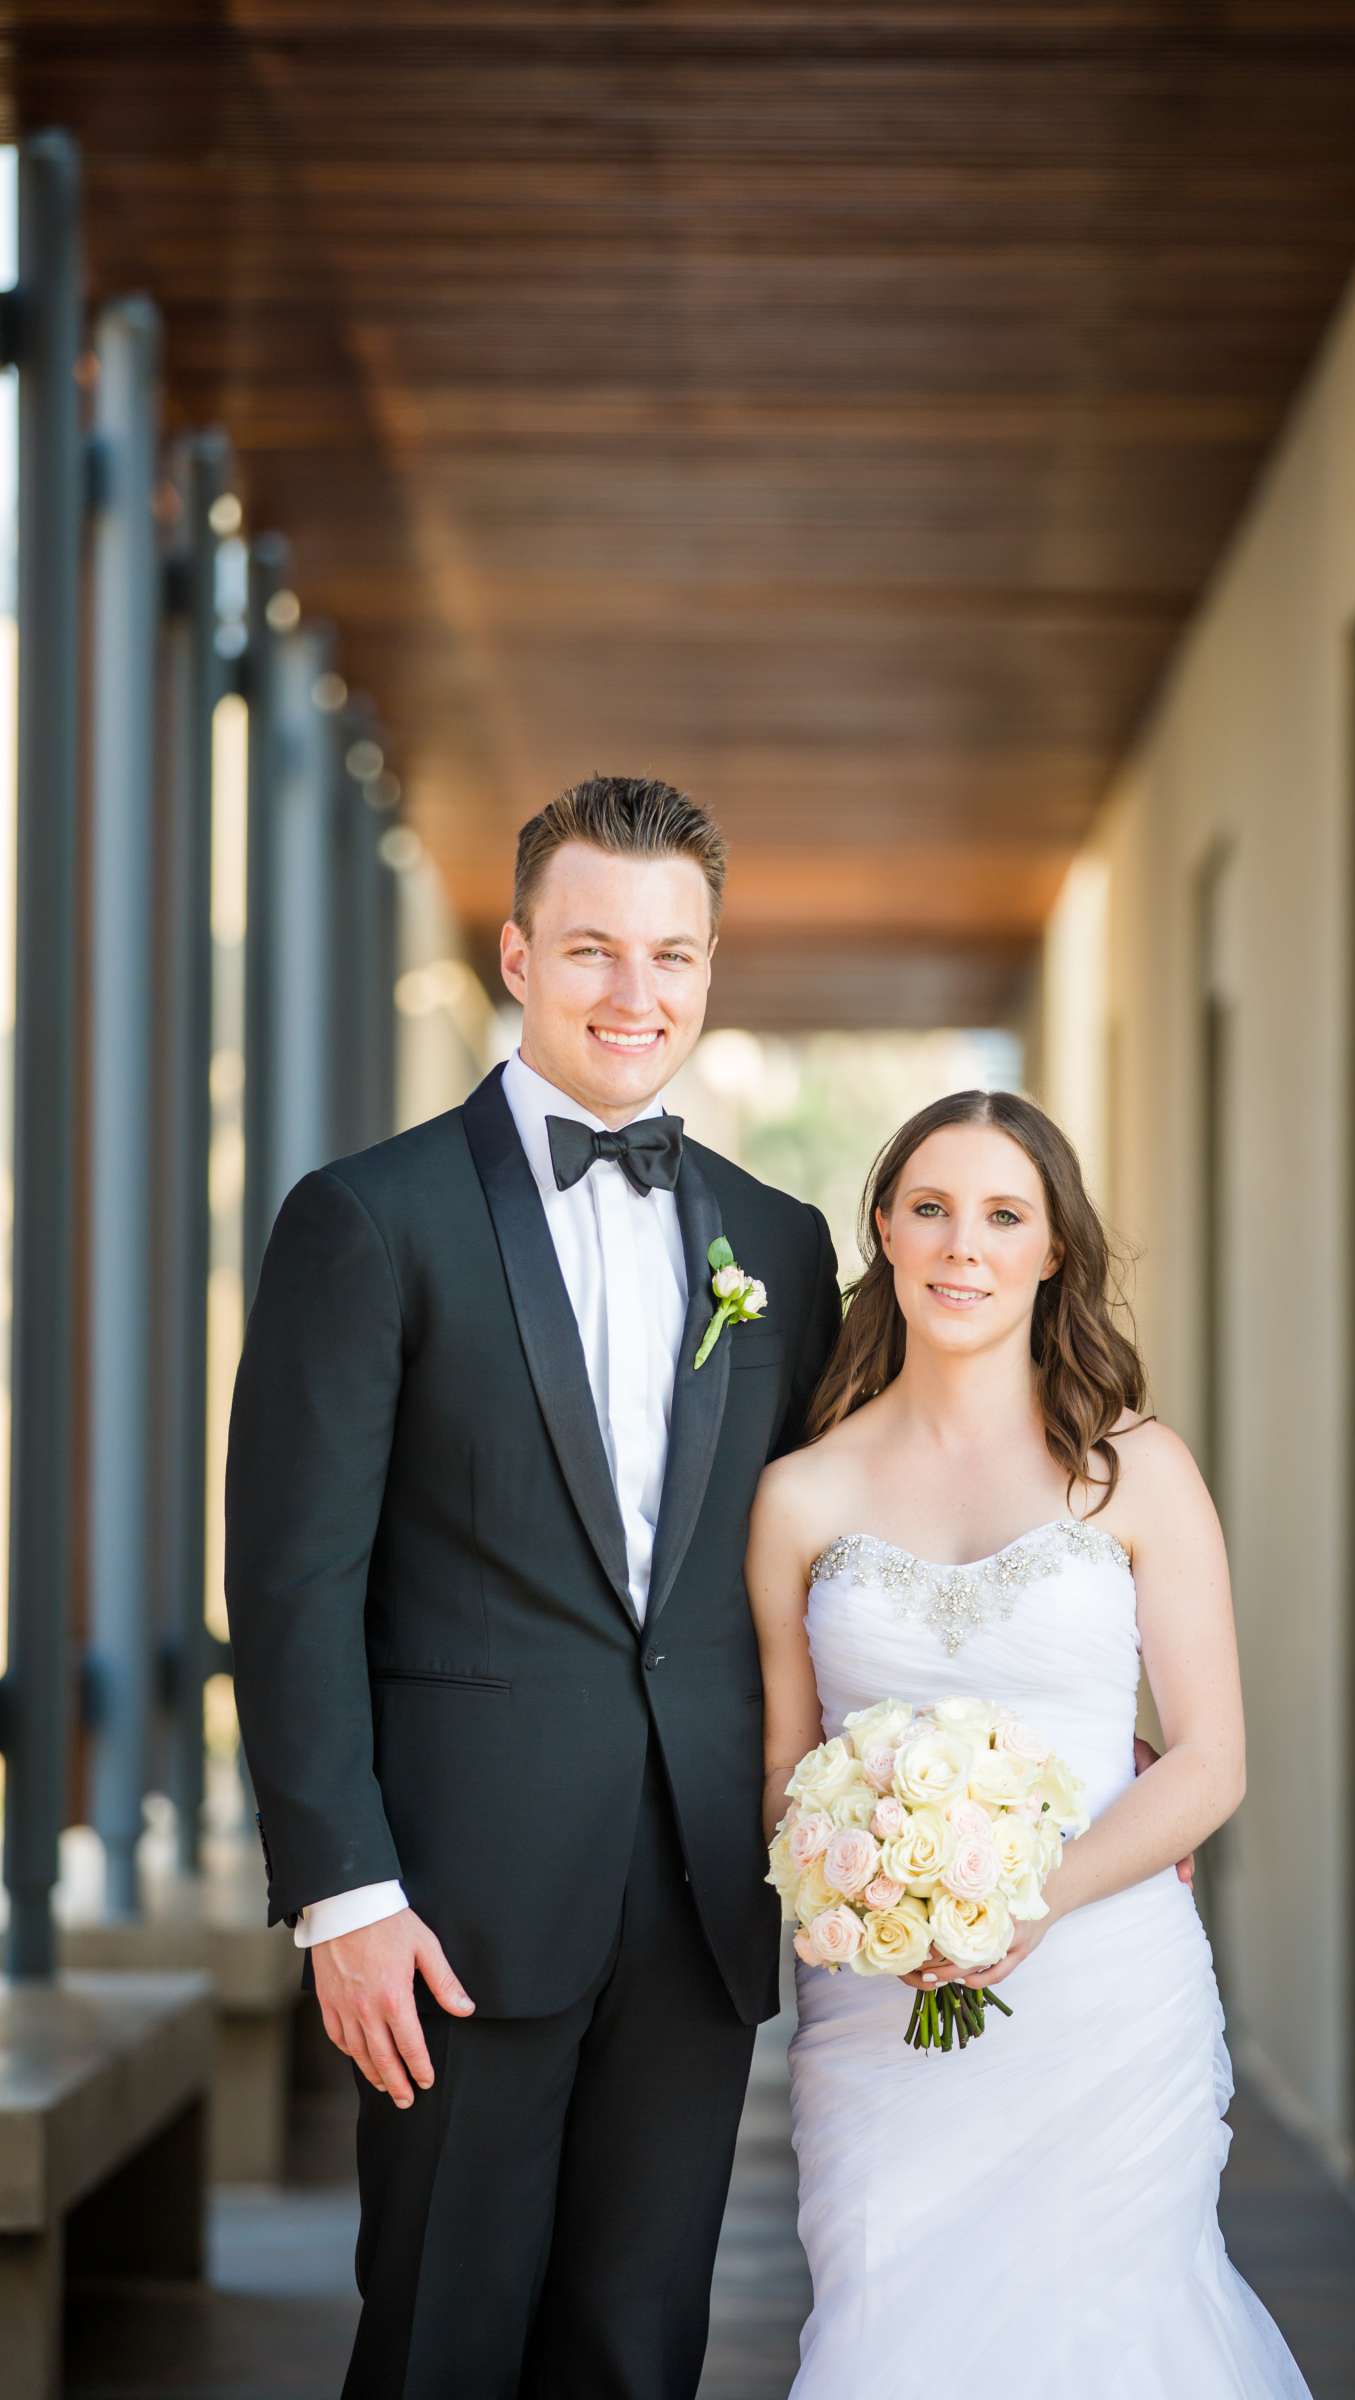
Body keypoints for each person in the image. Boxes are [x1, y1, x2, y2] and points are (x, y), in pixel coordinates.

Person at [225, 776, 843, 2399]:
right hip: (448, 1906)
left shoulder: (780, 1251)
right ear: (516, 956)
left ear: (711, 970)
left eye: (672, 956)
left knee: (639, 2356)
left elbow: (850, 1555)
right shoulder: (368, 1220)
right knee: (438, 2344)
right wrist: (341, 1892)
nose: (634, 996)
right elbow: (292, 1583)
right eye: (590, 950)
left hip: (704, 1894)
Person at [745, 1089, 1313, 2396]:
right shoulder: (799, 1494)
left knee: (1117, 2338)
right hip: (883, 2007)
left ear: (1054, 1250)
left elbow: (1212, 1760)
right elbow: (785, 1768)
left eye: (1005, 1216)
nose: (964, 1247)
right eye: (933, 1211)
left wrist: (1022, 1901)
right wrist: (865, 1876)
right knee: (893, 2337)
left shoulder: (1137, 1472)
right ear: (883, 1228)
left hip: (1107, 1999)